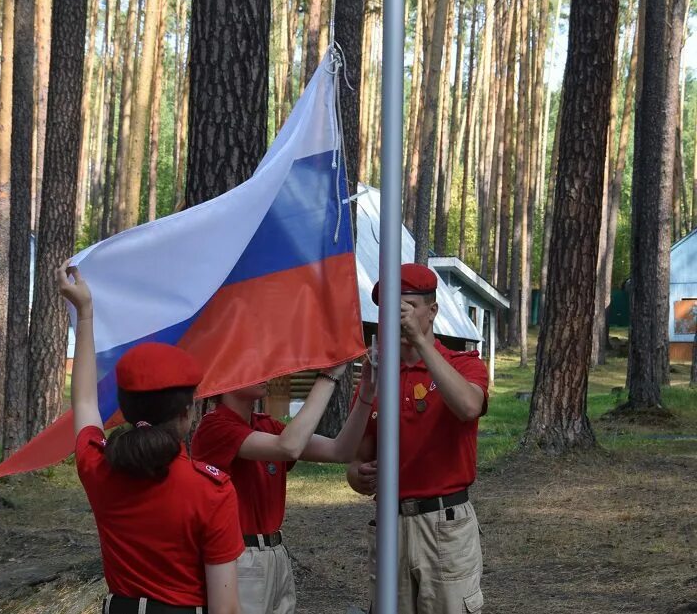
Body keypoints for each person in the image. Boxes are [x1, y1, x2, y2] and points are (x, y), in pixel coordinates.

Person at [58, 262, 244, 614]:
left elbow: (83, 400)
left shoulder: (98, 466)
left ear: (125, 410)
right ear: (185, 414)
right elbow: (226, 610)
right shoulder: (211, 492)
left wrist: (85, 314)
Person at [346, 263, 489, 614]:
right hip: (389, 524)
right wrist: (358, 476)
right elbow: (357, 460)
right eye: (390, 310)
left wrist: (422, 344)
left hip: (445, 526)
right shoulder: (376, 378)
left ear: (433, 311)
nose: (398, 317)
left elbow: (469, 407)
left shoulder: (463, 364)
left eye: (407, 307)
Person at [189, 355, 373, 614]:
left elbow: (339, 451)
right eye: (250, 362)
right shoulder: (214, 427)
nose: (263, 370)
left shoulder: (265, 425)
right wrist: (327, 376)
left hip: (275, 553)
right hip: (239, 557)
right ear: (225, 377)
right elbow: (289, 447)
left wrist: (366, 392)